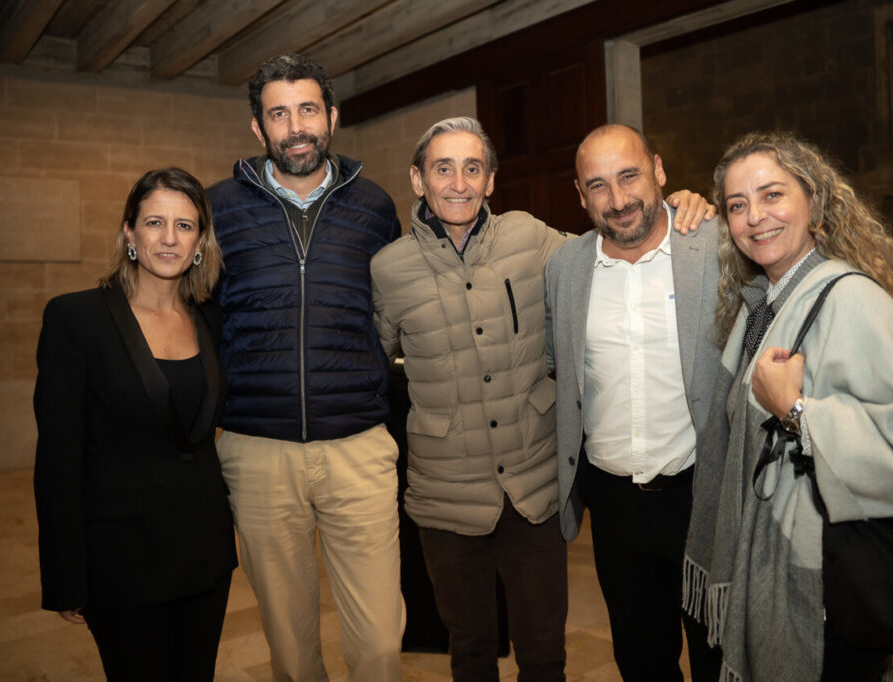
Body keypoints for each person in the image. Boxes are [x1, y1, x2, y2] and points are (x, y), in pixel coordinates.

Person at [371, 117, 713, 681]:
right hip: (445, 494)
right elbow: (373, 365)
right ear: (417, 179)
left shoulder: (533, 239)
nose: (458, 183)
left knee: (545, 653)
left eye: (472, 168)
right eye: (442, 168)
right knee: (471, 649)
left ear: (491, 181)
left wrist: (684, 207)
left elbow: (613, 238)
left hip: (534, 487)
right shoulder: (388, 270)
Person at [681, 131, 893, 681]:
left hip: (828, 585)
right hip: (783, 563)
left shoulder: (853, 300)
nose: (755, 217)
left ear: (814, 199)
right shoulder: (761, 304)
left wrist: (798, 411)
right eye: (737, 205)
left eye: (773, 195)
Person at [205, 54, 404, 682]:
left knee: (378, 645)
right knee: (290, 649)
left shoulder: (374, 206)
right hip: (257, 451)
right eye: (279, 113)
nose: (296, 126)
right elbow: (196, 318)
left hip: (358, 446)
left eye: (308, 110)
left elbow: (390, 310)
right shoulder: (217, 210)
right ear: (258, 129)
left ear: (333, 118)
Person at [33, 168, 236, 681]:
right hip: (121, 562)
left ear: (200, 240)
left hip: (205, 555)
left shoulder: (210, 319)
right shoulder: (76, 319)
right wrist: (64, 575)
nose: (170, 238)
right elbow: (59, 457)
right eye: (154, 222)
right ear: (129, 233)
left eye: (185, 226)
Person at [544, 124, 723, 681]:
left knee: (719, 657)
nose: (618, 201)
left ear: (660, 171)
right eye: (598, 186)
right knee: (642, 662)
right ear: (580, 195)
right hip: (615, 507)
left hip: (702, 497)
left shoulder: (714, 246)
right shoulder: (565, 269)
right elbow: (559, 367)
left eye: (629, 177)